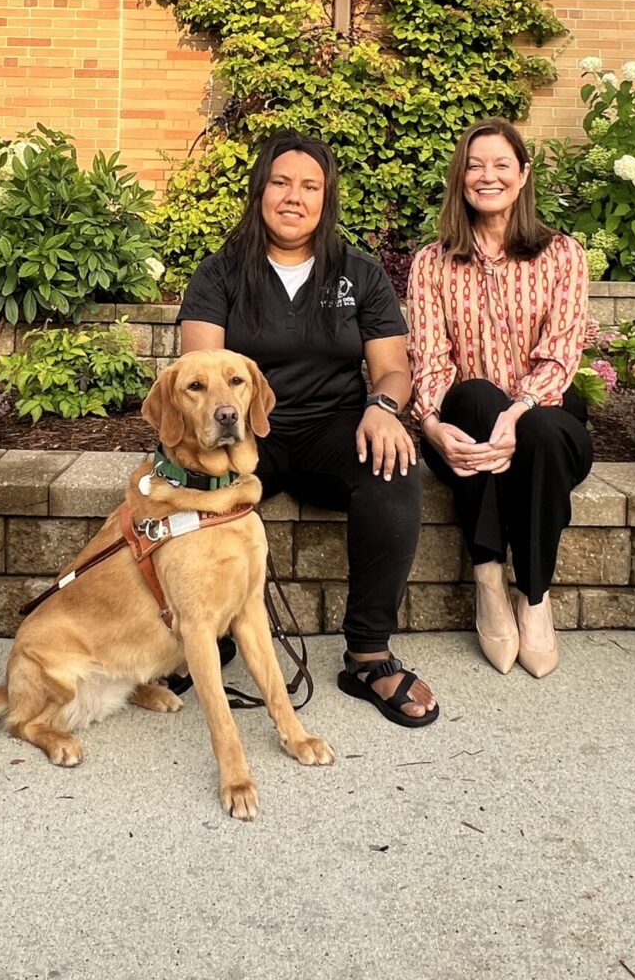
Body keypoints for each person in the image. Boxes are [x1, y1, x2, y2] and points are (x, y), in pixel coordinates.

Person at [178, 134, 439, 727]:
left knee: (394, 465)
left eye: (310, 187)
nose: (294, 197)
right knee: (189, 480)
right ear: (260, 191)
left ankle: (369, 653)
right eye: (281, 182)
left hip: (334, 428)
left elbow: (395, 367)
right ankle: (204, 631)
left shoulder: (360, 275)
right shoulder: (220, 273)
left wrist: (382, 407)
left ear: (326, 200)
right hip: (246, 434)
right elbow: (199, 375)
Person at [408, 119, 595, 678]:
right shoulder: (432, 262)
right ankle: (489, 576)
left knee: (534, 427)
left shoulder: (562, 255)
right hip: (464, 423)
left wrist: (518, 410)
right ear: (459, 178)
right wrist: (432, 424)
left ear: (523, 175)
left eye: (501, 165)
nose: (486, 176)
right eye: (474, 165)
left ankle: (533, 596)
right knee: (477, 395)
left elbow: (560, 352)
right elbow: (430, 358)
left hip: (545, 417)